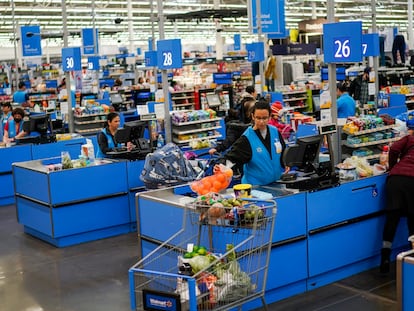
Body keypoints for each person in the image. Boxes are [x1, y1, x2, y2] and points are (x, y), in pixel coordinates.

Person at [215, 99, 287, 186]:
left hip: (275, 183)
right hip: (255, 188)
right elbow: (232, 158)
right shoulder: (247, 138)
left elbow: (282, 151)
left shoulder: (275, 131)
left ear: (270, 116)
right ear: (253, 116)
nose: (261, 121)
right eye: (258, 118)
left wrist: (286, 163)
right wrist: (221, 167)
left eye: (264, 118)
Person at [380, 114, 414, 274]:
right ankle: (411, 260)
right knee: (413, 221)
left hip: (396, 180)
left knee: (391, 221)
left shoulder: (408, 139)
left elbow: (393, 149)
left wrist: (393, 167)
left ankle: (385, 259)